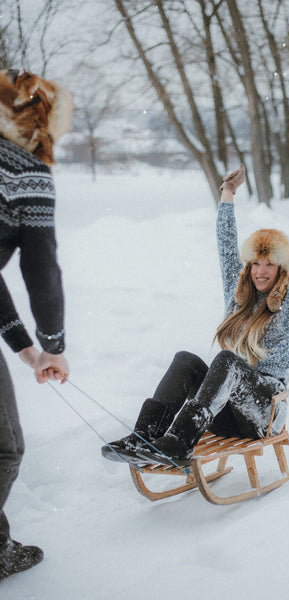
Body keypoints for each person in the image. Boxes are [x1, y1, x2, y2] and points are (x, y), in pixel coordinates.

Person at [102, 164, 289, 468]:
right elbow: (225, 247)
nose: (260, 271)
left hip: (262, 414)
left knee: (226, 361)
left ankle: (180, 442)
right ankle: (143, 435)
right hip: (224, 411)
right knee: (185, 360)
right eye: (255, 264)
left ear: (281, 270)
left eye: (269, 264)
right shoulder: (239, 298)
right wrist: (227, 193)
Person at [0, 68, 72, 581]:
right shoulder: (26, 171)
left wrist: (25, 349)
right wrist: (53, 345)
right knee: (4, 447)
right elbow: (40, 269)